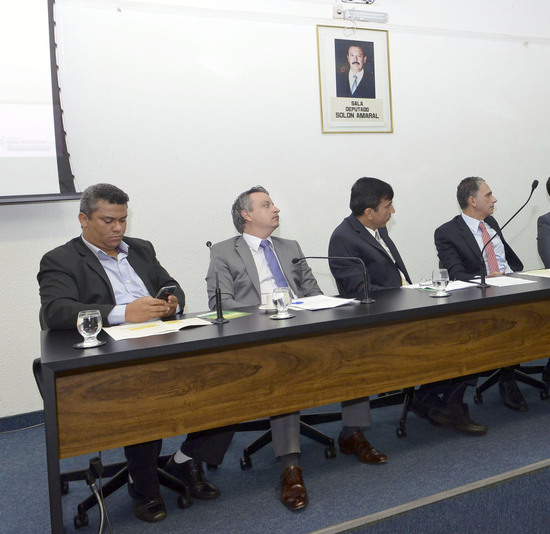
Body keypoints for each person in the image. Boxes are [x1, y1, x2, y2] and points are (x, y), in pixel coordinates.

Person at [37, 184, 228, 524]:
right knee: (146, 394)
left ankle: (185, 460)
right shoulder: (60, 259)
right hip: (113, 353)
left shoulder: (141, 248)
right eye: (108, 220)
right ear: (83, 219)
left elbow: (173, 287)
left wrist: (171, 303)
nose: (118, 228)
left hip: (162, 340)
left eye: (123, 220)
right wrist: (124, 313)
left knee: (229, 376)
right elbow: (56, 311)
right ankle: (143, 485)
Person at [207, 186, 386, 512]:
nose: (276, 209)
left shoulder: (290, 247)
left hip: (302, 324)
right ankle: (290, 466)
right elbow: (221, 304)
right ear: (247, 215)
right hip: (261, 336)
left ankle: (353, 433)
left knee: (351, 349)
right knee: (286, 370)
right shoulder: (223, 252)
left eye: (274, 203)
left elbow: (312, 291)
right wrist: (267, 312)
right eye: (266, 204)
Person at [329, 177, 487, 435]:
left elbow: (393, 276)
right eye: (388, 206)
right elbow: (359, 291)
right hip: (381, 319)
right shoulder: (343, 238)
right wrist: (406, 294)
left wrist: (416, 290)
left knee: (467, 328)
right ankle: (439, 401)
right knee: (454, 336)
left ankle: (442, 399)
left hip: (405, 305)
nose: (393, 211)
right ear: (369, 212)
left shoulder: (378, 229)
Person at [434, 176, 529, 412]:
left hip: (511, 285)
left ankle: (514, 371)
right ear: (472, 201)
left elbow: (508, 261)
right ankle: (506, 378)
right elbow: (456, 274)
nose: (494, 199)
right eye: (488, 195)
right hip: (479, 296)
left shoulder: (491, 223)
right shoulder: (447, 232)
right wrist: (488, 279)